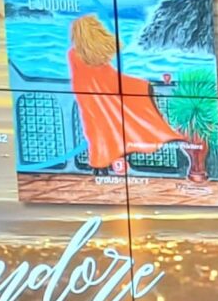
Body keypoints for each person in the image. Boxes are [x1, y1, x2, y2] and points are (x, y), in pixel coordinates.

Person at [65, 14, 209, 181]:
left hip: (89, 101)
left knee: (96, 131)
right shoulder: (97, 53)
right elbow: (108, 76)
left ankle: (99, 167)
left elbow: (79, 81)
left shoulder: (73, 54)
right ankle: (109, 163)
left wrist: (87, 95)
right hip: (107, 93)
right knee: (112, 126)